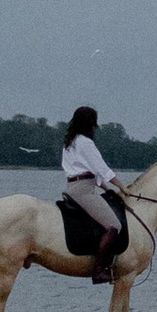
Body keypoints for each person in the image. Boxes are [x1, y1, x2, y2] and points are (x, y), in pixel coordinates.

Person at [58, 104, 128, 285]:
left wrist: (106, 188)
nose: (95, 128)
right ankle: (99, 270)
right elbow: (101, 168)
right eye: (94, 124)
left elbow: (88, 171)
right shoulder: (85, 143)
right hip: (83, 190)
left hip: (74, 186)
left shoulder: (70, 142)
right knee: (114, 225)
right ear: (90, 124)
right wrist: (121, 186)